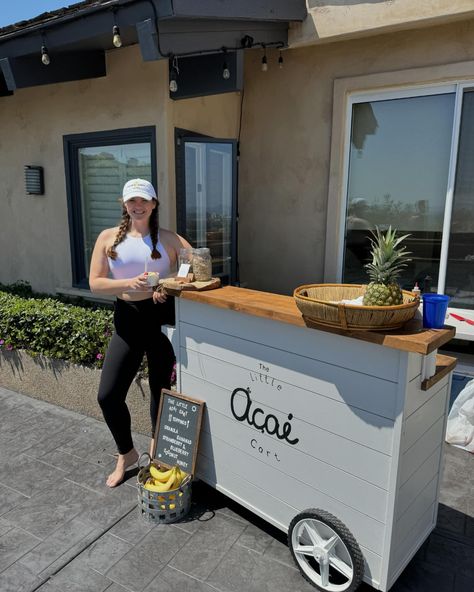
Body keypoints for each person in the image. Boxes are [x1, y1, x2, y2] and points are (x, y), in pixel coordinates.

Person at [89, 178, 192, 487]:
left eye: (144, 200)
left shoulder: (169, 239)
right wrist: (128, 284)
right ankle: (127, 454)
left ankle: (156, 449)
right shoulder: (108, 238)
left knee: (161, 391)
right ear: (124, 204)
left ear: (154, 204)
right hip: (128, 319)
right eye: (132, 201)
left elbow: (195, 267)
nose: (138, 206)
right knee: (108, 396)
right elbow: (95, 282)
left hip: (161, 317)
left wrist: (168, 285)